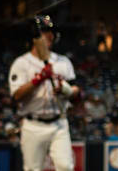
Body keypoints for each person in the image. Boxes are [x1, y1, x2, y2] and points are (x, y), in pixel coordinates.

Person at [8, 15, 79, 171]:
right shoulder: (22, 63)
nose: (49, 35)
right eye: (44, 31)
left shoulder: (62, 61)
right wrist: (38, 79)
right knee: (33, 169)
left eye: (51, 31)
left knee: (65, 166)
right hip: (33, 124)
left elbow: (76, 91)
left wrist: (65, 89)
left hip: (59, 122)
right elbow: (16, 96)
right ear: (34, 37)